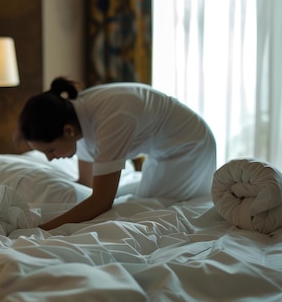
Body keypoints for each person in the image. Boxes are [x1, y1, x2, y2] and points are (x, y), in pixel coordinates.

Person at [18, 77, 217, 230]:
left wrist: (44, 229)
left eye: (50, 151)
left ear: (67, 131)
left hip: (190, 147)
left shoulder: (111, 119)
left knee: (155, 209)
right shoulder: (79, 119)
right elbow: (87, 183)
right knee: (136, 199)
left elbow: (101, 201)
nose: (50, 159)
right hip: (161, 151)